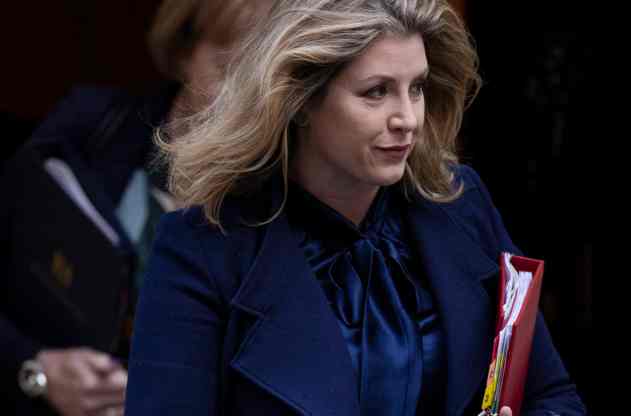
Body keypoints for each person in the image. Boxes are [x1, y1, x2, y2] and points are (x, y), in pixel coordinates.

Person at [126, 0, 587, 415]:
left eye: (417, 88)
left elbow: (553, 396)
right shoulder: (201, 247)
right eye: (376, 92)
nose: (407, 118)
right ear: (300, 101)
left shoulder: (460, 204)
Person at [0, 1, 274, 415]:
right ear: (184, 51)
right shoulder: (93, 128)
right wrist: (36, 368)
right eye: (230, 70)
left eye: (270, 83)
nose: (247, 103)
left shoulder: (286, 201)